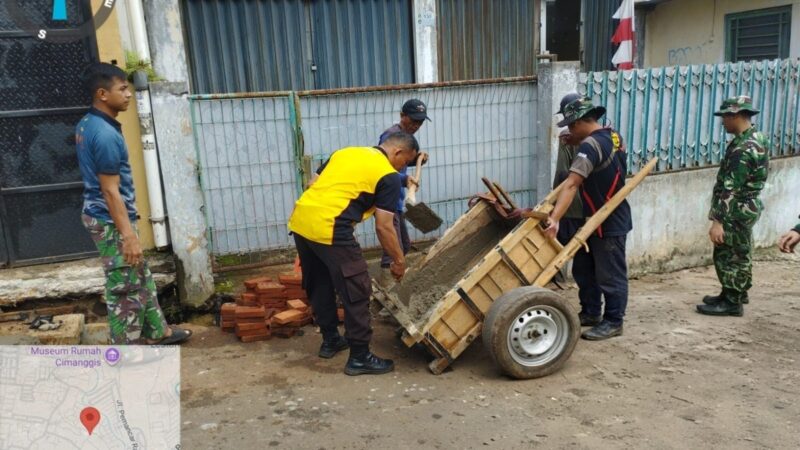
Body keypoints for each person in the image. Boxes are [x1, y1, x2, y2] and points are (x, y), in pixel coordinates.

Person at [76, 63, 191, 345]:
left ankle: (158, 332)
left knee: (139, 275)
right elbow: (110, 191)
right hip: (110, 219)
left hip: (106, 214)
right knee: (124, 287)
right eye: (123, 89)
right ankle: (123, 352)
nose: (129, 94)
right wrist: (128, 235)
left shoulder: (88, 123)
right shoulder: (105, 135)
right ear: (103, 94)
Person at [288, 132, 419, 375]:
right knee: (357, 289)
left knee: (320, 283)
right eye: (405, 162)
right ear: (398, 152)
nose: (403, 167)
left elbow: (312, 184)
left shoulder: (346, 152)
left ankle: (330, 340)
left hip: (301, 221)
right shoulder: (388, 176)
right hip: (331, 228)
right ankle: (360, 357)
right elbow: (384, 226)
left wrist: (403, 180)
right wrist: (399, 260)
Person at [544, 96, 631, 340]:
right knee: (585, 269)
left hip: (609, 220)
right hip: (592, 218)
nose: (570, 131)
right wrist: (578, 142)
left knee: (610, 273)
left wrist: (555, 218)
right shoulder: (613, 136)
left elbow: (571, 184)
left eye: (571, 126)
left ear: (580, 121)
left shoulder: (590, 146)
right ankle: (591, 312)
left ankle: (614, 321)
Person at [697, 96, 769, 317]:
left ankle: (732, 302)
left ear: (736, 116)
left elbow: (731, 188)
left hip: (735, 209)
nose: (723, 122)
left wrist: (717, 222)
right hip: (747, 206)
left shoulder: (743, 149)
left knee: (728, 254)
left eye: (725, 117)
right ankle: (733, 292)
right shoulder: (756, 138)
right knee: (740, 250)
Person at [377, 99, 430, 271]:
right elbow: (384, 168)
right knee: (393, 249)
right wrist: (405, 179)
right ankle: (386, 283)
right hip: (388, 199)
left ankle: (392, 277)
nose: (416, 125)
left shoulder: (406, 137)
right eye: (413, 121)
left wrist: (417, 159)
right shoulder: (391, 136)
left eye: (420, 122)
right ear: (402, 116)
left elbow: (401, 161)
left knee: (405, 245)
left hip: (397, 200)